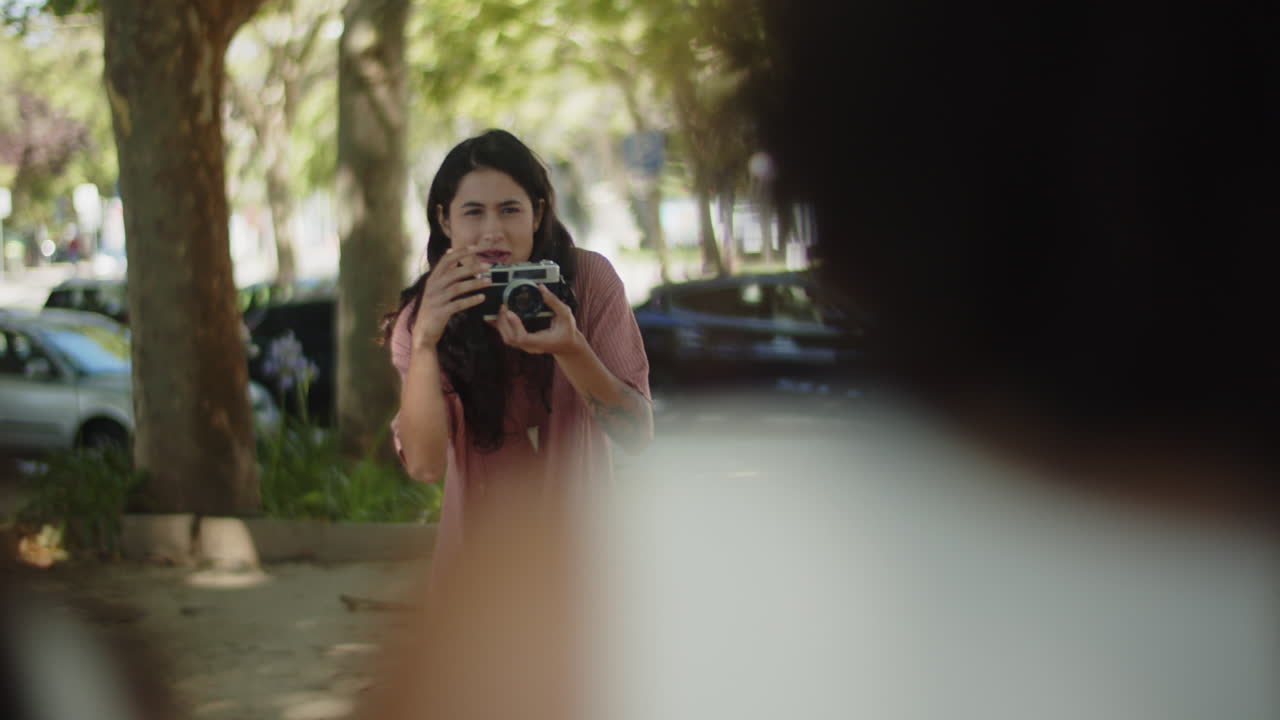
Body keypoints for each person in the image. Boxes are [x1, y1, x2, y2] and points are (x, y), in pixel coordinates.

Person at [382, 129, 653, 577]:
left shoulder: (586, 282)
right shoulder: (424, 316)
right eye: (473, 212)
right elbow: (425, 465)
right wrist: (427, 342)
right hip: (478, 569)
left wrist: (572, 349)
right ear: (445, 221)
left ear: (537, 213)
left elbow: (636, 435)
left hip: (584, 563)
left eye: (510, 209)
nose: (493, 231)